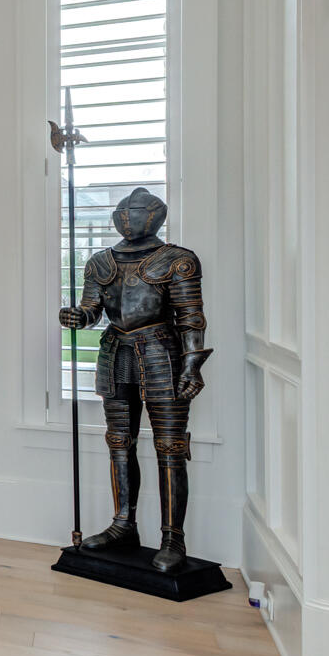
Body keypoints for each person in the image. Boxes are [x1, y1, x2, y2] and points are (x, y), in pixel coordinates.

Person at [58, 187, 211, 572]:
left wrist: (192, 366)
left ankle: (172, 538)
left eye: (136, 211)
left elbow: (190, 317)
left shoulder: (177, 261)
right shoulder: (100, 262)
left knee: (170, 447)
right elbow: (93, 310)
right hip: (115, 353)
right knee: (119, 442)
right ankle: (123, 524)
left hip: (162, 353)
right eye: (122, 211)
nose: (127, 217)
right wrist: (77, 316)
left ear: (155, 215)